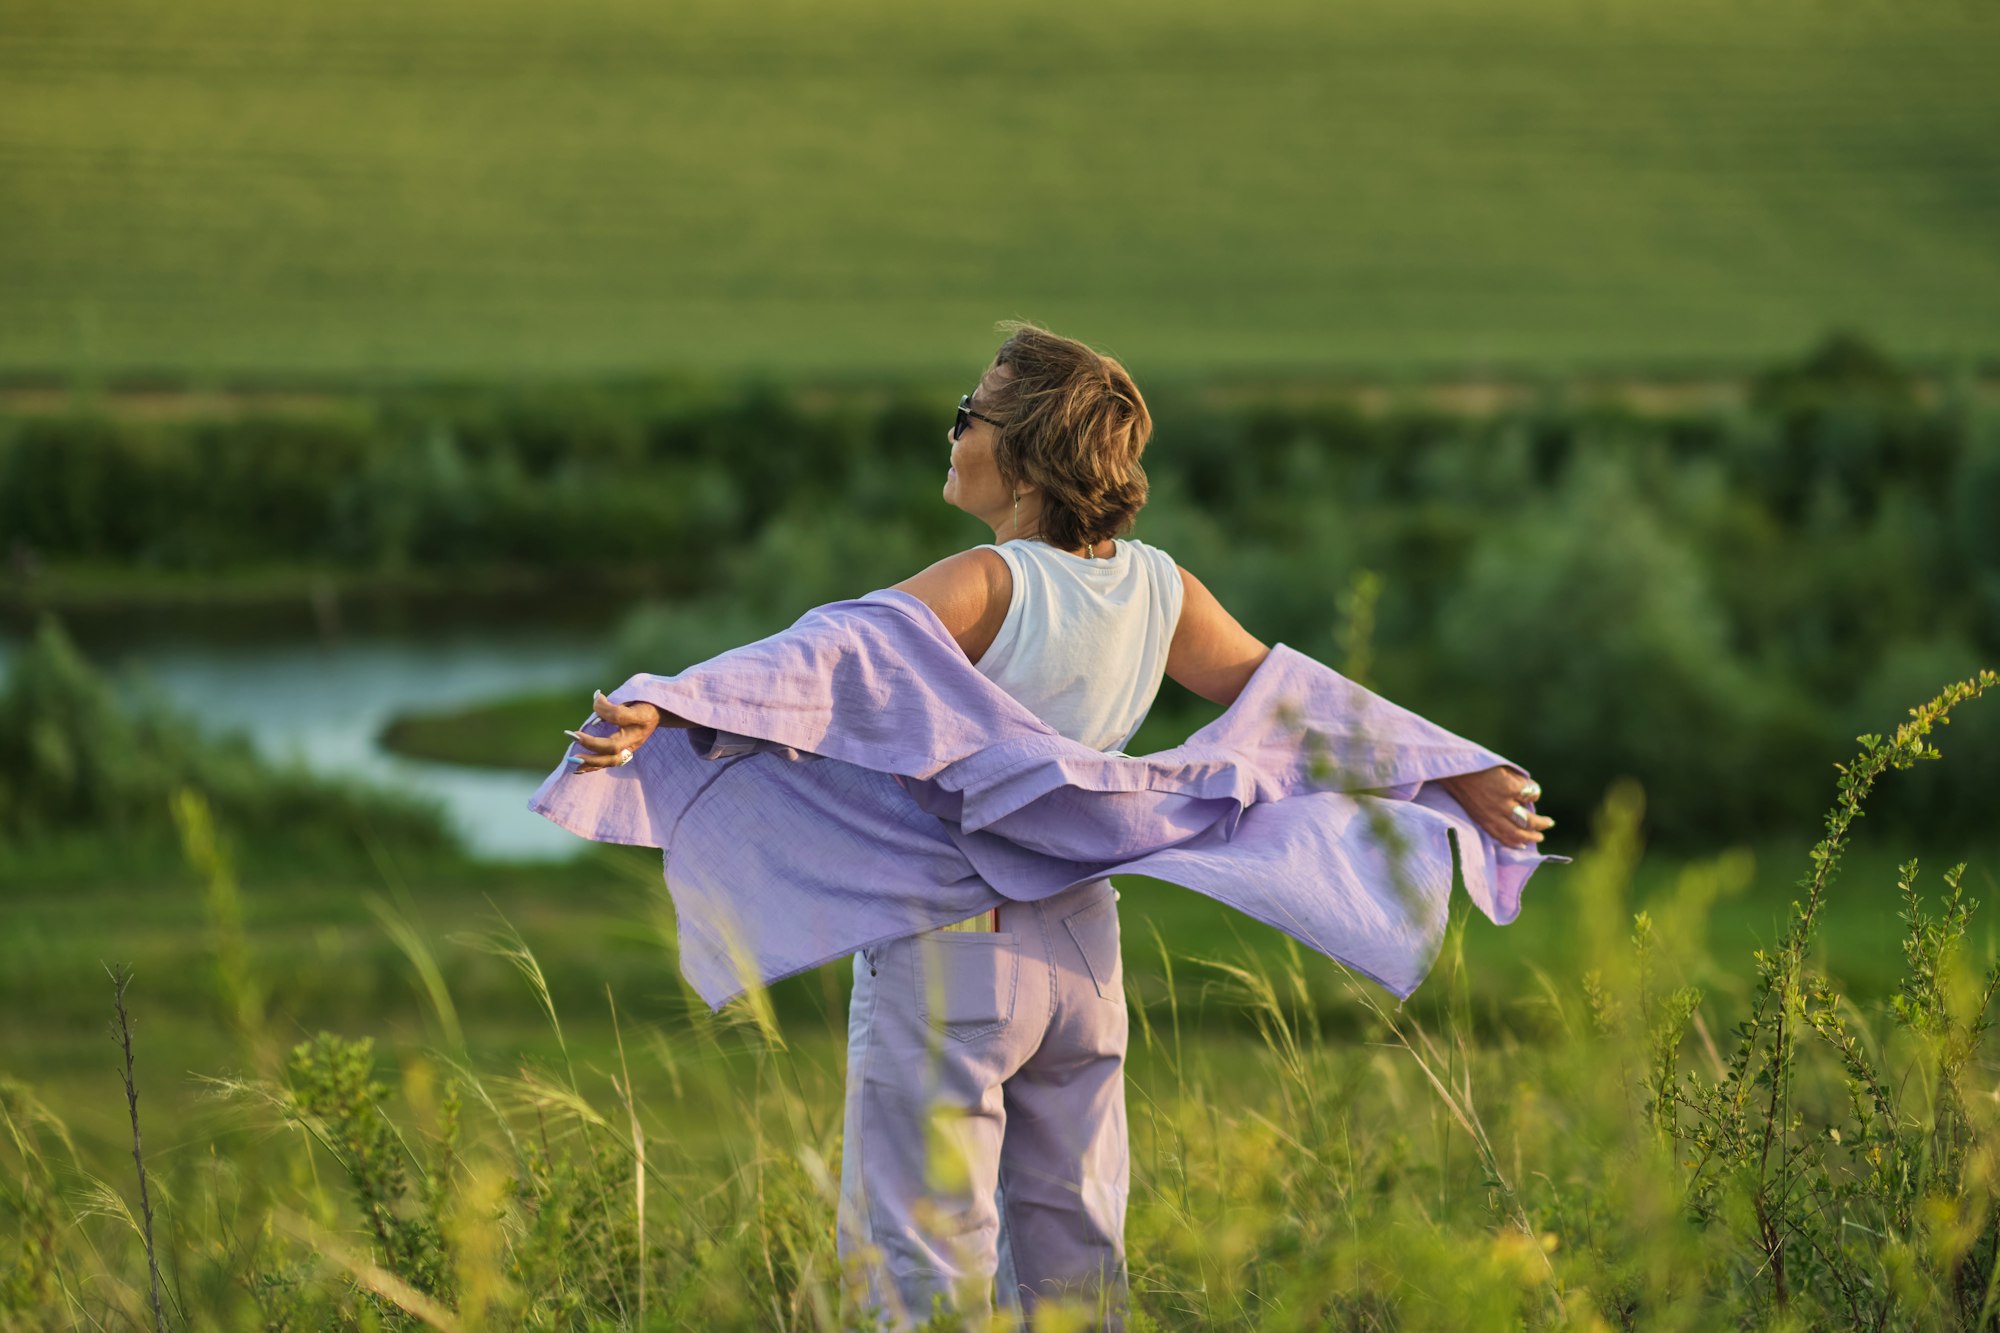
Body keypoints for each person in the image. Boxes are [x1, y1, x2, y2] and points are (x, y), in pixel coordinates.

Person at [564, 321, 1555, 1329]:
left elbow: (826, 656)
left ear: (1024, 451)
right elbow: (1292, 705)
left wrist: (669, 698)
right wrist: (1452, 766)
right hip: (1084, 947)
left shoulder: (988, 582)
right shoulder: (1158, 589)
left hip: (959, 948)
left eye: (968, 415)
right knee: (1075, 1247)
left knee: (920, 1246)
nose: (952, 435)